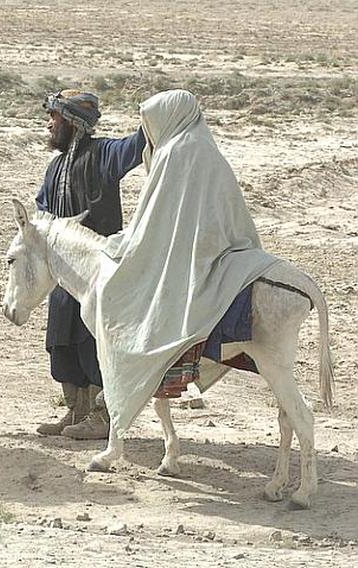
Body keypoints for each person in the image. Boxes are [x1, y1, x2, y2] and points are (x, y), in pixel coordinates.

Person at [92, 89, 277, 439]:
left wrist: (126, 245)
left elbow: (152, 220)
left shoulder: (174, 153)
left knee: (126, 295)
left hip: (194, 254)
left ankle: (146, 372)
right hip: (222, 246)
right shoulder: (206, 148)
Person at [34, 89, 146, 439]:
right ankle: (76, 410)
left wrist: (157, 112)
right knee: (62, 341)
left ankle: (102, 416)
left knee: (93, 343)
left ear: (72, 122)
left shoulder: (105, 154)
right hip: (64, 277)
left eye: (54, 118)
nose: (49, 124)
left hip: (100, 276)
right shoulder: (54, 167)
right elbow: (42, 213)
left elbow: (139, 144)